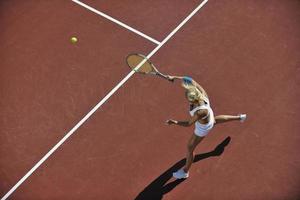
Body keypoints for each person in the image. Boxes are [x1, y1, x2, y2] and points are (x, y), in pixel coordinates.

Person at [165, 75, 246, 179]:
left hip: (202, 128)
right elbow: (189, 79)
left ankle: (185, 172)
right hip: (209, 117)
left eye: (188, 98)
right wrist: (174, 77)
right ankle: (239, 118)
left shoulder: (200, 112)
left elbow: (189, 124)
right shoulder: (201, 93)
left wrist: (174, 122)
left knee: (190, 148)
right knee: (214, 120)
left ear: (192, 100)